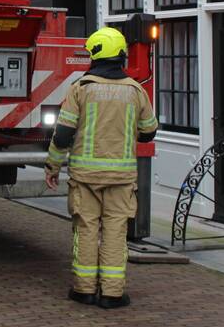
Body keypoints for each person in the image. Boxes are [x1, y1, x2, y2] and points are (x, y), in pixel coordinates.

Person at [45, 27, 158, 309]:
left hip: (85, 177)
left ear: (94, 55)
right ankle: (112, 293)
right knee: (115, 232)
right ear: (121, 54)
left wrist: (53, 166)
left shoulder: (81, 89)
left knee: (85, 229)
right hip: (121, 178)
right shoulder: (135, 91)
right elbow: (148, 132)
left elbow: (62, 135)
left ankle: (83, 290)